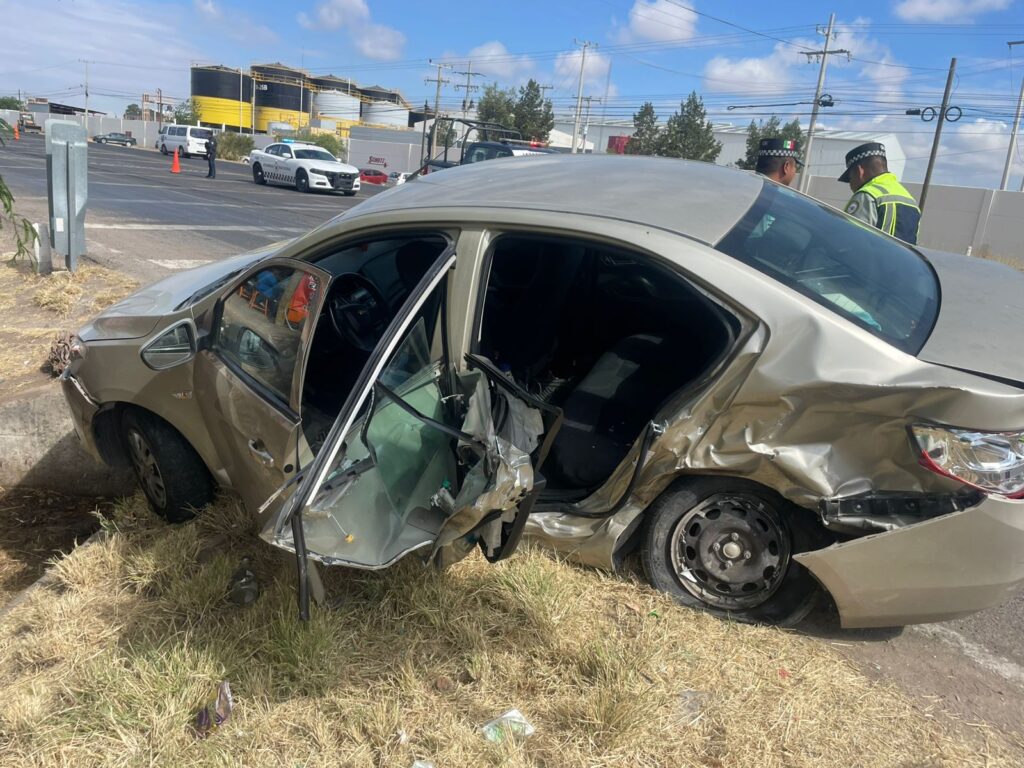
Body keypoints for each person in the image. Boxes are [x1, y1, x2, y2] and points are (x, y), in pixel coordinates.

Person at [839, 142, 921, 245]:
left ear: (859, 171)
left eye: (850, 178)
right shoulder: (910, 200)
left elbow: (849, 240)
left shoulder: (868, 195)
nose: (850, 184)